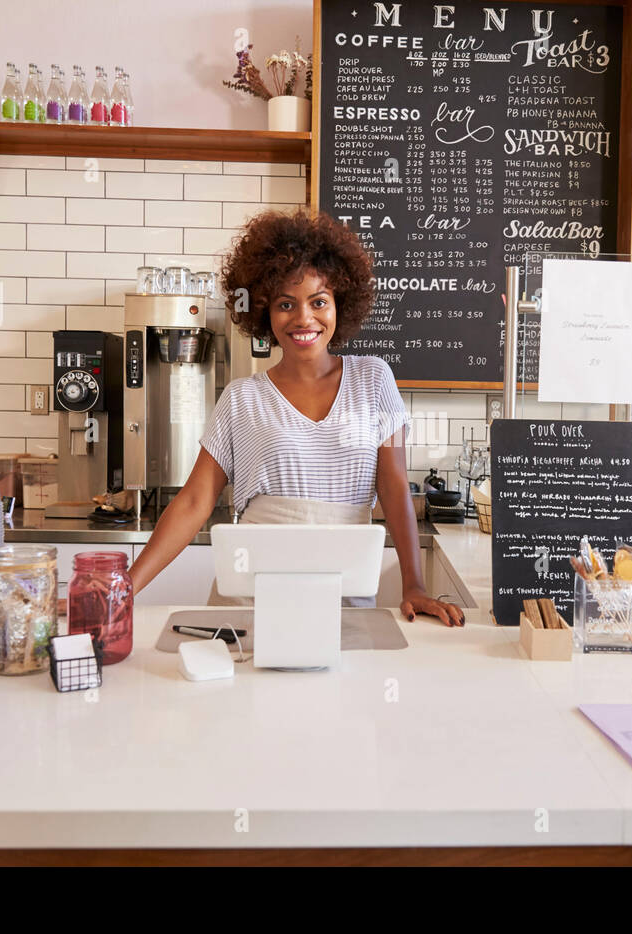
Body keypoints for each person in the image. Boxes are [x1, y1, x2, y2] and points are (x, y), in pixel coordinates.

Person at [129, 210, 464, 627]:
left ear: (342, 303)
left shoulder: (374, 379)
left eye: (318, 301)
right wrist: (126, 587)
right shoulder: (241, 398)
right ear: (264, 313)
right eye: (286, 304)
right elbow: (195, 501)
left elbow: (393, 485)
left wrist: (414, 584)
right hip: (250, 596)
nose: (304, 318)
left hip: (344, 588)